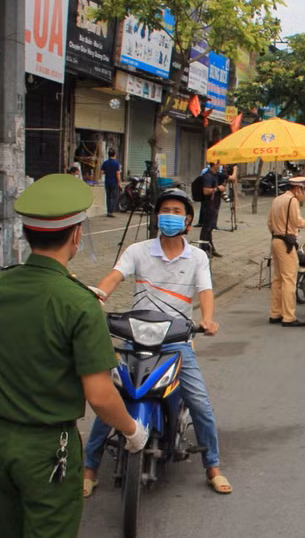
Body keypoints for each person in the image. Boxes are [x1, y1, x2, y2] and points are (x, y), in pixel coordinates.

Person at [0, 174, 147, 538]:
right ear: (76, 235)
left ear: (27, 232)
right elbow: (100, 394)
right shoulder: (78, 303)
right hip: (47, 448)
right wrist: (133, 432)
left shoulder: (1, 286)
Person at [83, 188, 229, 494]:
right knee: (111, 399)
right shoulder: (138, 251)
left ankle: (213, 466)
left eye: (177, 212)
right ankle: (90, 468)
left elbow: (205, 292)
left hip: (176, 342)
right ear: (157, 216)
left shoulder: (197, 257)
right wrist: (96, 298)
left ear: (188, 220)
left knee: (200, 404)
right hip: (137, 340)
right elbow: (114, 277)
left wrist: (208, 319)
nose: (170, 216)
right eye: (165, 211)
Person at [268, 175, 305, 327]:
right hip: (286, 243)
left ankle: (275, 313)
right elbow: (298, 222)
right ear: (298, 189)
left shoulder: (277, 199)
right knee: (289, 279)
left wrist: (278, 232)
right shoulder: (292, 201)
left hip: (276, 240)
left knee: (278, 279)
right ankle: (288, 317)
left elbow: (269, 223)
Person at [200, 160, 227, 256]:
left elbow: (229, 177)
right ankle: (203, 250)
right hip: (209, 205)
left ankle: (210, 248)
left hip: (215, 204)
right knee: (206, 228)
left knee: (210, 227)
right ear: (214, 164)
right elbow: (206, 191)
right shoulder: (208, 176)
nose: (220, 166)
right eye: (219, 164)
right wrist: (218, 188)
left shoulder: (215, 175)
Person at [100, 149, 121, 217]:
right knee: (114, 197)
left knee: (108, 197)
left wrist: (107, 172)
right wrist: (119, 182)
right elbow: (118, 174)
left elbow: (102, 172)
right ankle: (111, 211)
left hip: (107, 182)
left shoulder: (105, 162)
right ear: (115, 155)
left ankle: (108, 211)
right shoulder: (116, 163)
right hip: (114, 182)